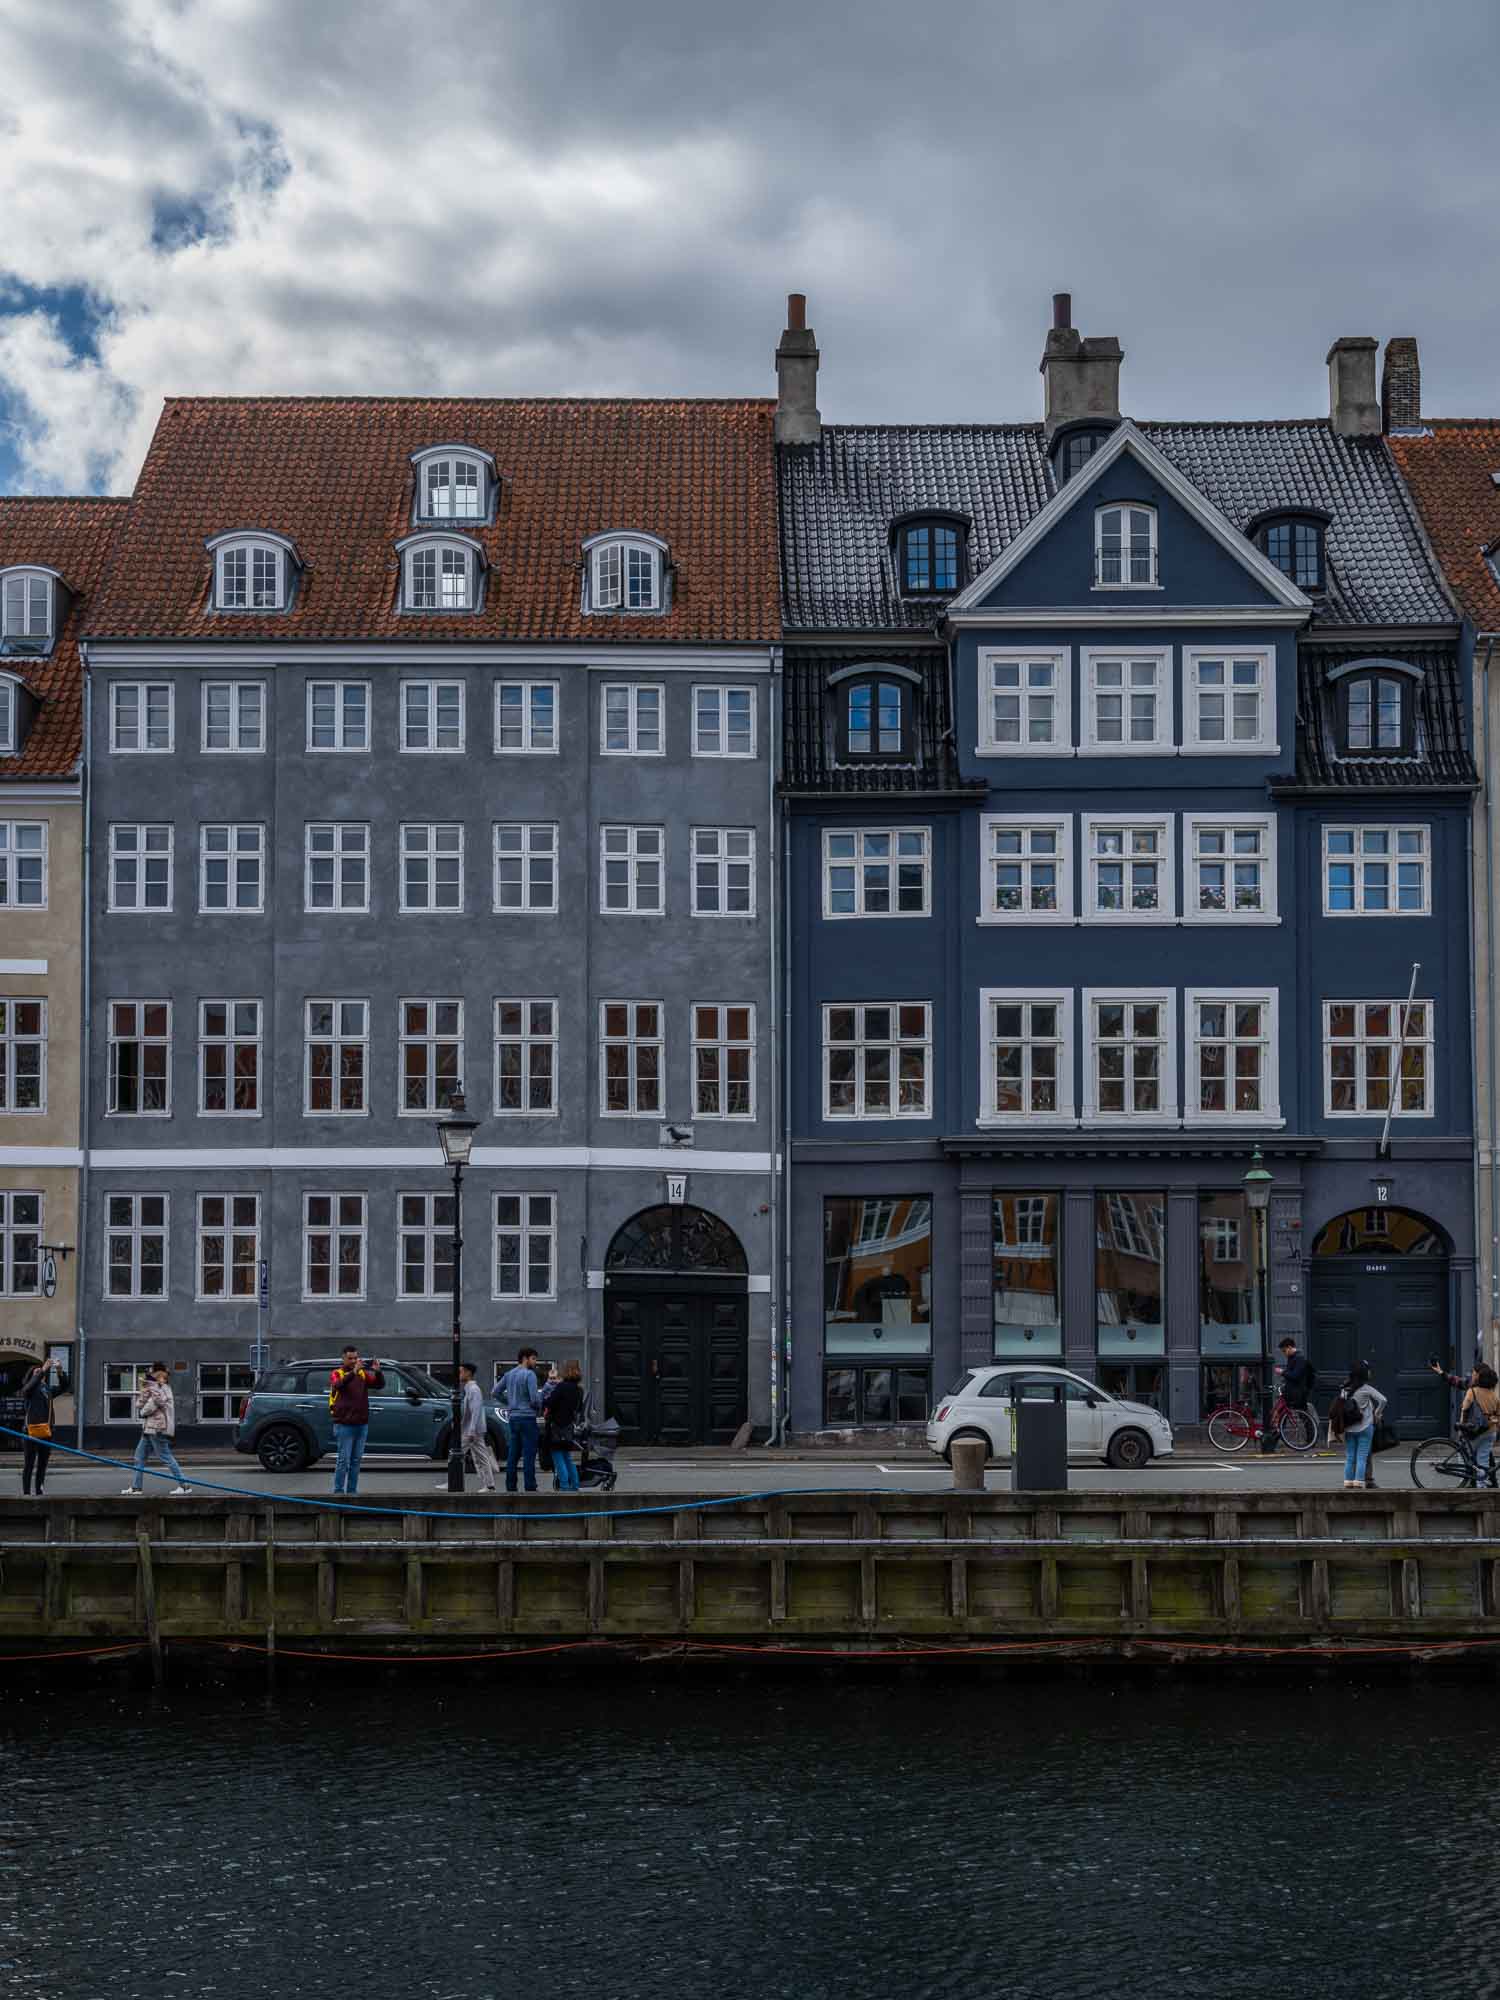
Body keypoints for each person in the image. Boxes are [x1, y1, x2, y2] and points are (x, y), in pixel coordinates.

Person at [121, 1362, 191, 1496]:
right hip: (149, 1428)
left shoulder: (163, 1388)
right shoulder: (156, 1387)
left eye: (155, 1374)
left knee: (166, 1456)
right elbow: (139, 1404)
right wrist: (145, 1390)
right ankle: (136, 1488)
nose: (154, 1376)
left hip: (158, 1428)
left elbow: (153, 1405)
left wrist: (143, 1410)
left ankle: (184, 1485)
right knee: (139, 1457)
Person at [1429, 1359, 1500, 1486]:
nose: (1470, 1374)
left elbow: (1464, 1410)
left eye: (1473, 1372)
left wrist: (1462, 1428)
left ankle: (1470, 1483)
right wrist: (1441, 1372)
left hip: (1473, 1431)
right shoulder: (1493, 1395)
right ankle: (1483, 1487)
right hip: (1488, 1431)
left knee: (1466, 1456)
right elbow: (1456, 1381)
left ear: (1478, 1375)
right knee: (1483, 1462)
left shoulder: (1472, 1390)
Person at [328, 1346, 384, 1496]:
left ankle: (352, 1492)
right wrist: (353, 1372)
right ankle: (338, 1492)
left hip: (361, 1424)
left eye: (355, 1358)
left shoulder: (362, 1374)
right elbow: (338, 1385)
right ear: (343, 1359)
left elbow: (378, 1385)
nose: (353, 1361)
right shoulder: (337, 1373)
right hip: (344, 1424)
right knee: (343, 1461)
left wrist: (378, 1371)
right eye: (350, 1358)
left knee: (356, 1461)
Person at [441, 1361, 497, 1493]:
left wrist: (471, 1430)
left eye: (460, 1372)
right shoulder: (470, 1389)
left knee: (457, 1454)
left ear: (468, 1373)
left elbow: (476, 1411)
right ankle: (489, 1485)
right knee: (479, 1457)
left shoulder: (473, 1390)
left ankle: (453, 1481)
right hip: (472, 1430)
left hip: (472, 1431)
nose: (458, 1375)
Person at [1330, 1360, 1386, 1490]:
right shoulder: (1366, 1389)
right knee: (1362, 1457)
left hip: (1349, 1428)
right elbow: (1383, 1400)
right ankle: (1359, 1481)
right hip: (1365, 1427)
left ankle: (1348, 1481)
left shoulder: (1345, 1389)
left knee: (1350, 1457)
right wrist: (1377, 1414)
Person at [498, 1346, 542, 1493]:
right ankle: (530, 1487)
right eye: (534, 1359)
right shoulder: (529, 1375)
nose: (535, 1362)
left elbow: (495, 1392)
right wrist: (538, 1407)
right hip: (527, 1418)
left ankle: (511, 1486)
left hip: (513, 1418)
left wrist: (510, 1403)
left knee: (513, 1454)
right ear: (525, 1358)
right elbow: (535, 1399)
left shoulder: (509, 1374)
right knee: (529, 1455)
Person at [19, 1354, 61, 1497]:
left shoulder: (46, 1390)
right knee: (29, 1464)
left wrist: (60, 1372)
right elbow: (27, 1389)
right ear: (31, 1376)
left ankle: (39, 1491)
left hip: (46, 1431)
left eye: (41, 1373)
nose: (40, 1374)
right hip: (30, 1432)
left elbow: (65, 1386)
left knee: (42, 1465)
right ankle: (26, 1493)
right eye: (36, 1372)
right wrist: (42, 1369)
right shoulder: (28, 1390)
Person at [542, 1358, 584, 1493]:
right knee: (567, 1457)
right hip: (568, 1427)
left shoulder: (561, 1387)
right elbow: (579, 1409)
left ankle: (565, 1487)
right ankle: (575, 1485)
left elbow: (550, 1402)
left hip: (556, 1427)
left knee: (558, 1458)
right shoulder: (579, 1389)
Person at [1276, 1337, 1314, 1410]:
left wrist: (1282, 1372)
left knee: (1302, 1416)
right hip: (1292, 1391)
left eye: (1284, 1351)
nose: (1284, 1354)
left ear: (1290, 1347)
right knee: (1281, 1411)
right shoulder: (1292, 1358)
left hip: (1297, 1393)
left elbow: (1295, 1376)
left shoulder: (1299, 1359)